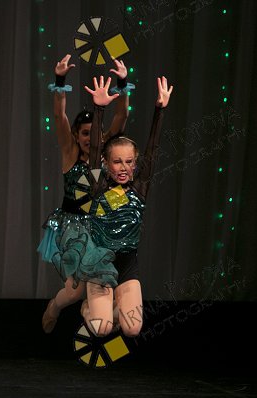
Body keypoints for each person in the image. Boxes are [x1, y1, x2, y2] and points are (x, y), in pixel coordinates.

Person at [39, 54, 132, 333]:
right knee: (74, 290)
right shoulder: (70, 153)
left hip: (100, 223)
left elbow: (122, 115)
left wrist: (123, 83)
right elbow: (59, 116)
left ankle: (92, 310)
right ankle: (56, 306)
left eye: (95, 133)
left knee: (98, 278)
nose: (90, 138)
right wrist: (60, 80)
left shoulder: (105, 153)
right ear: (76, 136)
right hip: (73, 227)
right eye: (84, 133)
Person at [80, 75, 173, 337]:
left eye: (129, 162)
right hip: (100, 265)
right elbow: (95, 148)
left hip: (127, 264)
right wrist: (99, 109)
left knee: (133, 329)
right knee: (101, 329)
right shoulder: (98, 186)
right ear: (106, 164)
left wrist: (160, 111)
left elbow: (153, 148)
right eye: (117, 162)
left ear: (135, 164)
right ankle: (88, 308)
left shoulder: (139, 188)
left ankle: (109, 307)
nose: (123, 168)